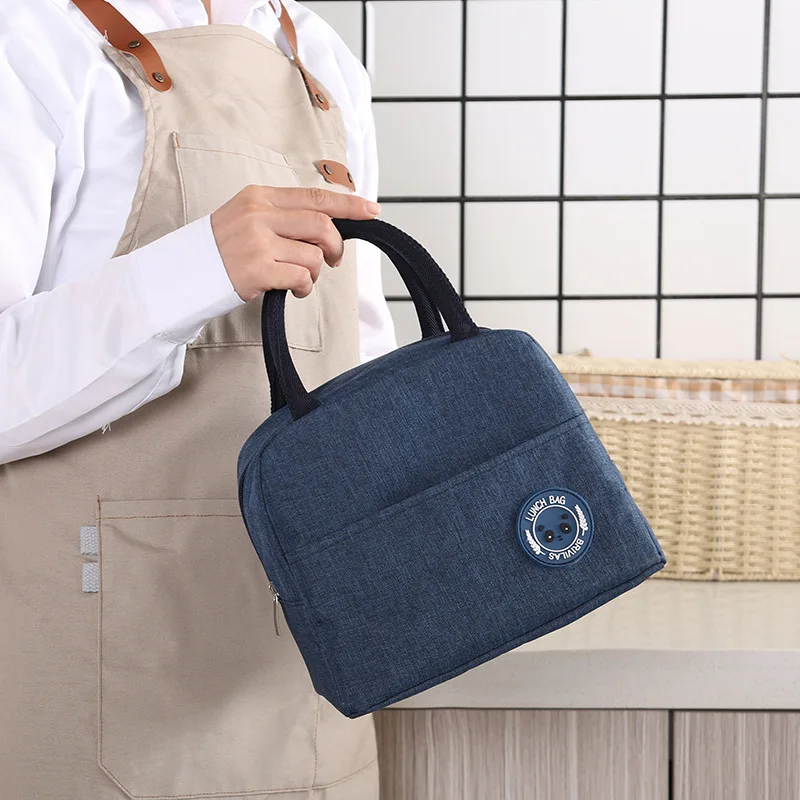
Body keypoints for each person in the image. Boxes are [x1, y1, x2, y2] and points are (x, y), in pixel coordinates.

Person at [0, 0, 395, 797]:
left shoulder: (322, 60)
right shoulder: (28, 37)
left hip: (308, 691)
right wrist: (195, 270)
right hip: (97, 687)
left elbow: (359, 360)